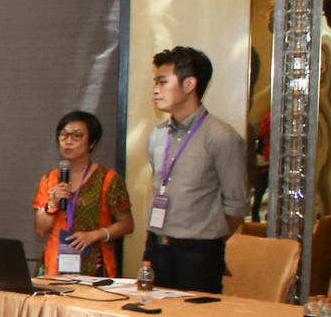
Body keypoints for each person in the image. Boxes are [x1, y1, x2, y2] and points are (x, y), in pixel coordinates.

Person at [145, 46, 249, 293]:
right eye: (155, 82)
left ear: (190, 84)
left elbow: (237, 206)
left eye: (163, 81)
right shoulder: (157, 135)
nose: (156, 89)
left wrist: (205, 238)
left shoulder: (221, 137)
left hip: (198, 255)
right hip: (158, 249)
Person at [31, 110, 135, 279]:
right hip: (55, 265)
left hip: (95, 265)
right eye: (63, 135)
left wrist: (95, 235)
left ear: (92, 142)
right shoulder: (49, 179)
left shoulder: (109, 179)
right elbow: (40, 230)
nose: (68, 141)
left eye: (77, 136)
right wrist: (52, 203)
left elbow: (127, 224)